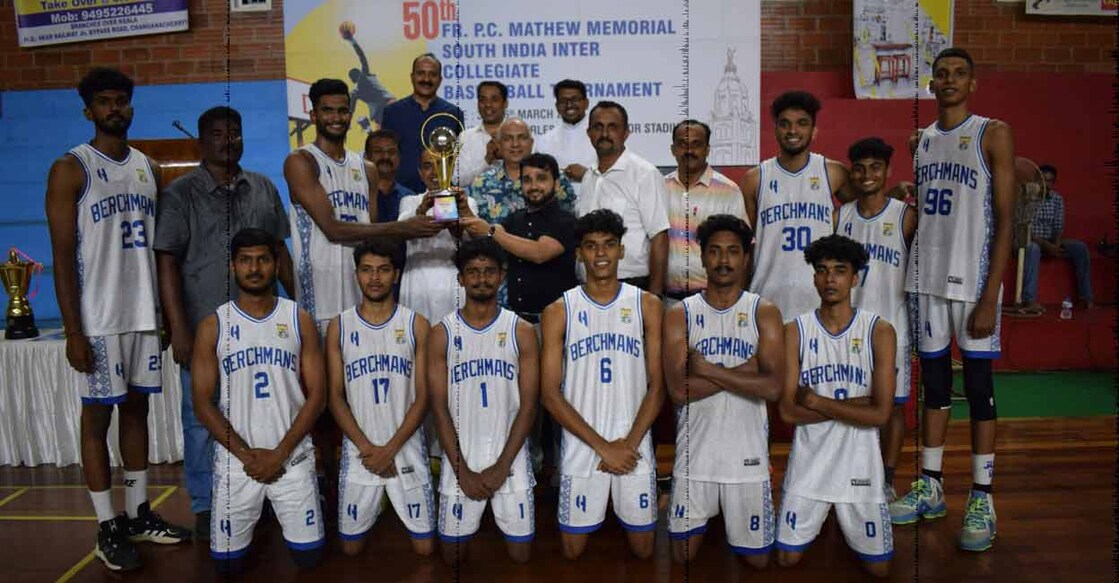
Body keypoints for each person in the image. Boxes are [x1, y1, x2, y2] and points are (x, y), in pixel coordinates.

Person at [45, 67, 191, 572]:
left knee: (137, 413)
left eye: (121, 100)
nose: (115, 108)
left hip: (142, 314)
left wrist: (165, 315)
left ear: (131, 106)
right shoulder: (71, 168)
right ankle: (107, 524)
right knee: (97, 418)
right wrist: (73, 329)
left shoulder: (149, 167)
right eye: (104, 101)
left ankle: (137, 514)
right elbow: (63, 256)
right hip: (99, 317)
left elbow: (160, 250)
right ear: (88, 110)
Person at [893, 48, 1015, 554]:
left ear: (973, 83)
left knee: (981, 389)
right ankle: (932, 484)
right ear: (932, 84)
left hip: (974, 284)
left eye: (959, 73)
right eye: (941, 74)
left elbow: (1006, 219)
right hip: (926, 279)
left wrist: (991, 295)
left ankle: (983, 496)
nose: (948, 80)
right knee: (935, 388)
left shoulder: (993, 132)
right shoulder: (919, 142)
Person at [155, 105, 294, 538]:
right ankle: (205, 502)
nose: (227, 140)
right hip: (203, 327)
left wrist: (298, 305)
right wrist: (178, 327)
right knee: (201, 418)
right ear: (202, 140)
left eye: (234, 132)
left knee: (268, 411)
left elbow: (281, 250)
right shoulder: (180, 194)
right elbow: (167, 262)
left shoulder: (263, 187)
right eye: (217, 133)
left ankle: (267, 493)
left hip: (265, 325)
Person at [191, 229, 326, 575]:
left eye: (263, 260)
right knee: (227, 566)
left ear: (276, 264)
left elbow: (318, 397)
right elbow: (202, 404)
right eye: (246, 260)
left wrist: (278, 455)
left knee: (309, 559)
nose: (255, 268)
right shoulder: (213, 326)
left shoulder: (299, 319)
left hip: (291, 457)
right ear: (233, 266)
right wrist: (248, 456)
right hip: (239, 461)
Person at [540, 209, 665, 560]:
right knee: (573, 552)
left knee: (644, 551)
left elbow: (658, 387)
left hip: (634, 442)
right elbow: (549, 394)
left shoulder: (647, 305)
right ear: (579, 253)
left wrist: (627, 444)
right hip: (583, 448)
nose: (600, 254)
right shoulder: (559, 310)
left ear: (622, 251)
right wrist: (603, 447)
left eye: (609, 245)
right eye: (591, 246)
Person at [662, 215, 783, 566]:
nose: (724, 260)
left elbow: (774, 388)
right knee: (682, 557)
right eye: (714, 251)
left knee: (758, 563)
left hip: (748, 459)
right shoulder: (680, 314)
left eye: (732, 251)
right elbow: (678, 391)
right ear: (702, 257)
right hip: (694, 457)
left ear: (746, 257)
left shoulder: (765, 312)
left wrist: (707, 370)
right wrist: (746, 371)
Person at [776, 234, 896, 578]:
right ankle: (829, 517)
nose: (830, 279)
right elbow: (787, 412)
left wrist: (815, 401)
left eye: (840, 271)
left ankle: (842, 521)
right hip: (809, 465)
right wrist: (858, 404)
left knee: (880, 570)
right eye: (823, 271)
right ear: (813, 277)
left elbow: (882, 413)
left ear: (855, 278)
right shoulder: (795, 331)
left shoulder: (879, 331)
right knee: (787, 559)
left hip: (860, 465)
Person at [285, 78, 441, 331]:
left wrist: (417, 215)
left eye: (342, 110)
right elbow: (333, 229)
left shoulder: (367, 169)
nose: (336, 117)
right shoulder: (302, 161)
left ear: (350, 114)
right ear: (314, 115)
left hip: (363, 285)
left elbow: (370, 235)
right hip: (321, 287)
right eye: (327, 110)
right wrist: (403, 228)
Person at [427, 238, 539, 564]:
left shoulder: (521, 331)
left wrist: (503, 465)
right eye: (473, 272)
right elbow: (439, 408)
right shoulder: (442, 334)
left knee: (521, 557)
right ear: (460, 279)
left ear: (501, 277)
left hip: (512, 458)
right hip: (460, 457)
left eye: (489, 271)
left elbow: (529, 406)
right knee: (452, 558)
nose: (481, 278)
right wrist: (461, 470)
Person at [326, 240, 435, 557]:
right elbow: (334, 397)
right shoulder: (340, 326)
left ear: (397, 274)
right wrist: (368, 449)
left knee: (426, 549)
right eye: (367, 270)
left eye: (384, 270)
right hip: (360, 451)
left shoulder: (416, 325)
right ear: (356, 274)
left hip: (405, 449)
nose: (375, 278)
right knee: (350, 549)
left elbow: (424, 396)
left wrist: (389, 450)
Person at [835, 137, 917, 502]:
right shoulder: (842, 217)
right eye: (860, 168)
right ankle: (849, 471)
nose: (867, 175)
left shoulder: (905, 216)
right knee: (850, 402)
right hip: (849, 329)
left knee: (894, 407)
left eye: (875, 167)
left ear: (887, 171)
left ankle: (885, 477)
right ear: (851, 172)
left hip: (893, 328)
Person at [740, 90, 852, 323]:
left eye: (802, 124)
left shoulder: (833, 172)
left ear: (814, 130)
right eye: (785, 124)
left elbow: (865, 213)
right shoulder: (755, 179)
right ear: (775, 129)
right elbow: (744, 247)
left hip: (819, 300)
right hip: (767, 297)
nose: (793, 131)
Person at [462, 152, 578, 322]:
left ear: (557, 184)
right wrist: (464, 208)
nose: (534, 186)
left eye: (541, 178)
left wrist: (492, 232)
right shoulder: (515, 218)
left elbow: (539, 253)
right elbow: (485, 239)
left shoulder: (566, 220)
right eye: (527, 180)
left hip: (557, 320)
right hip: (518, 320)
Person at [577, 101, 670, 295]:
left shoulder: (644, 174)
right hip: (588, 285)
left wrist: (654, 297)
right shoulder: (588, 177)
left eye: (612, 127)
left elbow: (659, 237)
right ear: (589, 133)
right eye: (598, 127)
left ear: (626, 133)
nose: (604, 134)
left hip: (632, 284)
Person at [664, 119, 746, 302]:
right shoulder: (660, 188)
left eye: (696, 144)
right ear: (673, 150)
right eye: (683, 144)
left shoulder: (728, 191)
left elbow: (743, 248)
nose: (689, 151)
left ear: (707, 150)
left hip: (714, 300)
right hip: (667, 300)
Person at [397, 150, 480, 324]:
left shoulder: (467, 202)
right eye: (428, 166)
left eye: (440, 165)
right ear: (420, 172)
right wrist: (422, 208)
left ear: (450, 169)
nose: (434, 172)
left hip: (453, 283)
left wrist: (456, 217)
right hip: (416, 284)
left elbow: (474, 244)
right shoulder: (409, 201)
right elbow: (401, 231)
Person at [382, 53, 465, 193]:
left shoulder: (453, 114)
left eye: (432, 74)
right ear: (412, 77)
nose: (426, 79)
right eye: (421, 73)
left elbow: (458, 159)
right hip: (400, 194)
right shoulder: (393, 112)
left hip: (442, 194)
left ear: (440, 80)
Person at [470, 117, 576, 225]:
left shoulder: (557, 178)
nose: (515, 144)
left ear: (531, 143)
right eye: (508, 138)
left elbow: (569, 224)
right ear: (499, 145)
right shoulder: (481, 183)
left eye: (522, 138)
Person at [1018, 164, 1094, 314]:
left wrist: (1056, 245)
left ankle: (1086, 296)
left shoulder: (1057, 199)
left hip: (1050, 242)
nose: (1047, 184)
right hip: (1030, 241)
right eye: (1043, 180)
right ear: (1036, 180)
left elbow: (1059, 227)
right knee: (1033, 248)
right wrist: (1046, 245)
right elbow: (1025, 229)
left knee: (1080, 248)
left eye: (1050, 181)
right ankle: (1029, 300)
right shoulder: (1027, 198)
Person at [535, 79, 597, 198]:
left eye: (575, 99)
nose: (569, 105)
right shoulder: (544, 142)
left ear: (586, 103)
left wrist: (586, 175)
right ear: (557, 106)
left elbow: (615, 176)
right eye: (564, 101)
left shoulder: (601, 137)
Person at [340, 22, 395, 129]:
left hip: (377, 114)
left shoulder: (354, 92)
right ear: (360, 73)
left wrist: (348, 121)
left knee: (380, 138)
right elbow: (362, 57)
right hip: (388, 102)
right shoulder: (365, 76)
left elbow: (351, 109)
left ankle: (367, 128)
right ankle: (367, 128)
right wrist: (351, 40)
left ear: (352, 81)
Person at [455, 81, 508, 187]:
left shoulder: (519, 135)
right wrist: (487, 160)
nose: (488, 105)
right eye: (483, 99)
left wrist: (508, 157)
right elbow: (457, 181)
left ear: (505, 104)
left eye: (494, 99)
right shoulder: (465, 138)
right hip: (474, 202)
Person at [364, 129, 415, 225]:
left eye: (391, 152)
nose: (385, 157)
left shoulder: (409, 197)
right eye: (378, 151)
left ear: (399, 158)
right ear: (366, 157)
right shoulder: (358, 195)